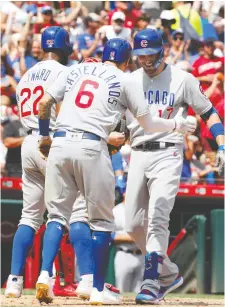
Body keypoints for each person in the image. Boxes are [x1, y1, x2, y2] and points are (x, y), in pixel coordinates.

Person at [35, 38, 195, 305]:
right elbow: (148, 123)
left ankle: (43, 276)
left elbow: (43, 104)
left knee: (55, 216)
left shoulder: (75, 69)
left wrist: (43, 138)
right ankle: (97, 287)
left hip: (60, 141)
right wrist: (177, 123)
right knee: (101, 222)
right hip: (90, 146)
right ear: (127, 60)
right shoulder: (127, 80)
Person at [124, 28, 225, 304]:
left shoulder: (182, 78)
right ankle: (168, 271)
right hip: (137, 152)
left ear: (162, 50)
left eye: (150, 54)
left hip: (168, 151)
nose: (145, 60)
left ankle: (151, 281)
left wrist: (222, 142)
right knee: (132, 223)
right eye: (140, 54)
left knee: (158, 216)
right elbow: (120, 123)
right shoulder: (130, 80)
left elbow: (208, 111)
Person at [4, 26, 72, 298]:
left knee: (28, 217)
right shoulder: (65, 72)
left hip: (28, 142)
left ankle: (14, 280)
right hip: (52, 140)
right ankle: (46, 276)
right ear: (65, 48)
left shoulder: (25, 76)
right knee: (58, 215)